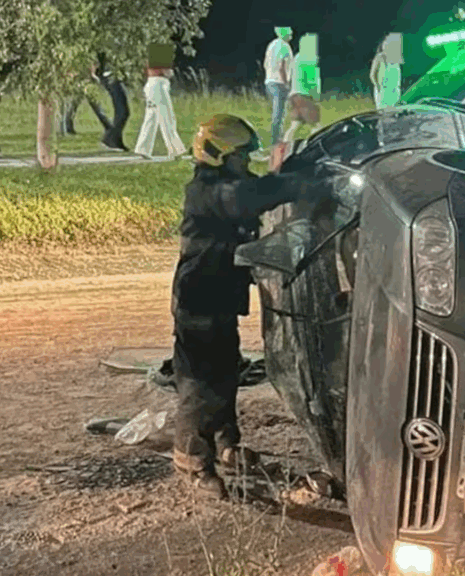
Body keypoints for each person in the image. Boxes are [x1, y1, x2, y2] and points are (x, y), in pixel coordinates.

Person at [167, 113, 328, 499]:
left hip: (219, 295)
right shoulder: (209, 190)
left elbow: (264, 187)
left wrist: (298, 171)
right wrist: (309, 184)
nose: (247, 163)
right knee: (199, 381)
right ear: (221, 156)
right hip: (199, 297)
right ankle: (190, 457)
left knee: (224, 371)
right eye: (242, 156)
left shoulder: (228, 183)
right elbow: (253, 198)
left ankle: (226, 444)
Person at [60, 53, 131, 152]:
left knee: (122, 110)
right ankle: (110, 139)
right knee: (122, 110)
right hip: (108, 74)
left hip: (109, 73)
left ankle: (115, 140)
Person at [134, 43, 185, 160]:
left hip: (150, 85)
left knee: (150, 118)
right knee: (167, 118)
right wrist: (171, 72)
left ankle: (143, 148)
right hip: (159, 87)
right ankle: (175, 150)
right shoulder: (161, 61)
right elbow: (167, 73)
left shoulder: (149, 63)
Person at [282, 33, 322, 144]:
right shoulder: (309, 58)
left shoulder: (297, 58)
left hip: (294, 94)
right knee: (316, 124)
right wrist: (316, 95)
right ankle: (315, 145)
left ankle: (283, 147)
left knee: (295, 124)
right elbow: (311, 79)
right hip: (305, 95)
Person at [263, 27, 294, 149]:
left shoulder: (272, 45)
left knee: (275, 113)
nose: (291, 36)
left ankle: (275, 139)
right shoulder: (284, 46)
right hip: (279, 83)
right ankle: (276, 141)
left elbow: (265, 62)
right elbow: (282, 66)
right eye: (290, 34)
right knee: (279, 114)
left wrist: (269, 75)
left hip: (269, 82)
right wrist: (286, 83)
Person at [369, 33, 402, 109]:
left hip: (394, 91)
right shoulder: (379, 57)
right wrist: (378, 87)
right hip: (383, 91)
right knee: (383, 113)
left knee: (394, 113)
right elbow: (372, 75)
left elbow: (398, 75)